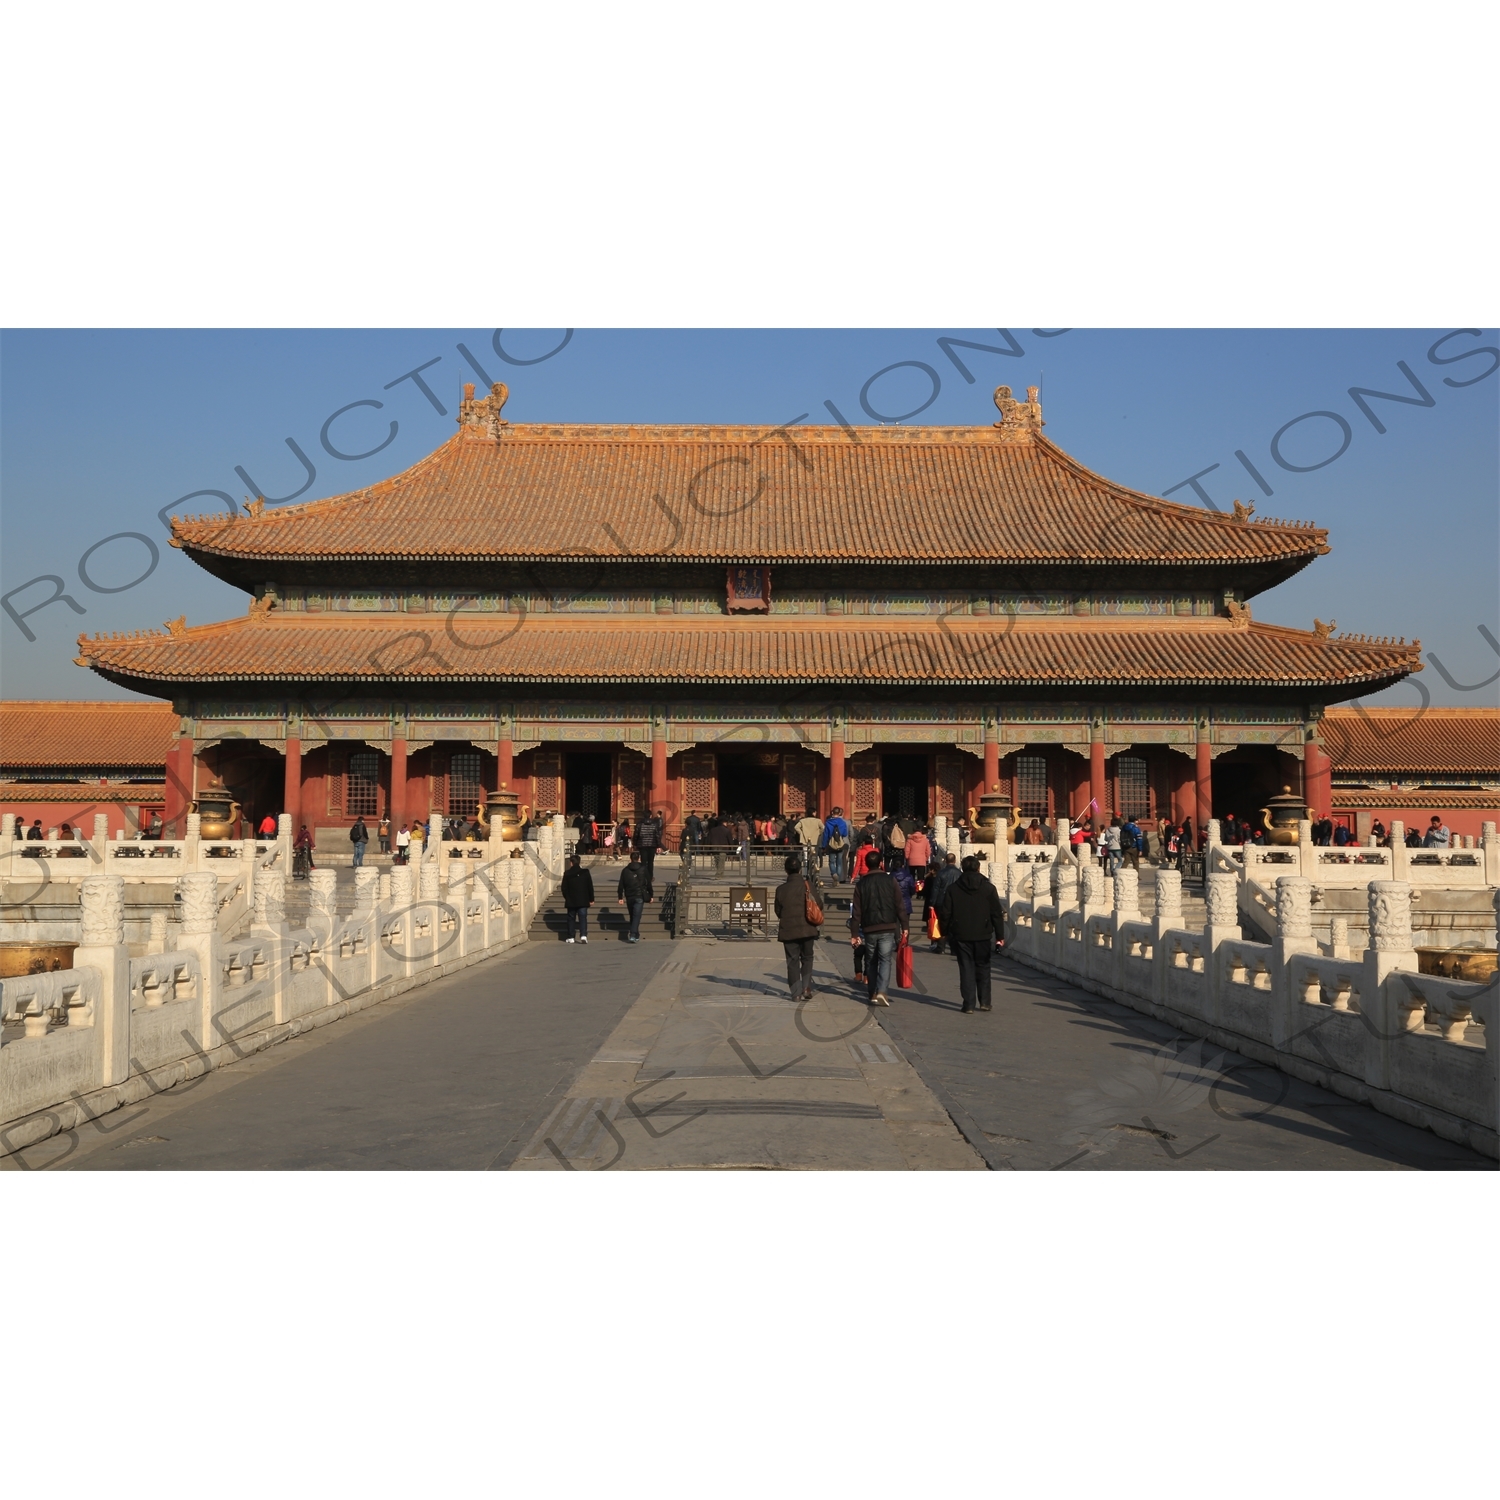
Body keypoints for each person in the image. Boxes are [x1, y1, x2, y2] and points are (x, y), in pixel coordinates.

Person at [938, 854, 1006, 1013]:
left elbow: (946, 913)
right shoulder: (989, 888)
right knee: (983, 967)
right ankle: (985, 1002)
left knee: (966, 968)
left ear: (962, 868)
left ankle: (968, 1004)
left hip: (961, 934)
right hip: (983, 934)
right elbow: (996, 913)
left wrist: (944, 932)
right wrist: (1000, 936)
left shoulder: (953, 889)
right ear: (978, 868)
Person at [851, 850, 903, 1006]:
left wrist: (854, 933)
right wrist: (904, 925)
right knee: (885, 960)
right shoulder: (891, 881)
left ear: (866, 865)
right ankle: (882, 991)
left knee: (871, 960)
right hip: (888, 926)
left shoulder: (861, 884)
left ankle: (872, 992)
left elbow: (856, 912)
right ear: (881, 863)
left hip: (869, 927)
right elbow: (899, 904)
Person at [773, 853, 824, 1000]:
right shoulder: (807, 885)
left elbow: (778, 911)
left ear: (786, 870)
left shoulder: (781, 889)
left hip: (789, 930)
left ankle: (795, 993)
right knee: (807, 958)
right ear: (800, 870)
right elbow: (818, 904)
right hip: (807, 928)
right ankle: (806, 988)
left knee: (792, 961)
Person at [924, 851, 962, 953]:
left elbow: (935, 889)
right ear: (955, 861)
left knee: (941, 924)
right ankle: (954, 949)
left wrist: (932, 903)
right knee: (953, 925)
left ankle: (941, 947)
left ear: (945, 861)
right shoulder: (960, 874)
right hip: (955, 902)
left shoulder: (941, 873)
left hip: (941, 901)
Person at [617, 850, 649, 942]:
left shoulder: (625, 870)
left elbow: (621, 884)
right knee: (636, 915)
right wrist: (650, 894)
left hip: (629, 895)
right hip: (639, 895)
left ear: (630, 859)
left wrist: (620, 897)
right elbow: (648, 883)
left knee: (633, 915)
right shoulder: (643, 869)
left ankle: (636, 934)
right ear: (639, 859)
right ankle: (633, 934)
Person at [561, 853, 594, 943]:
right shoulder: (585, 872)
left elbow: (564, 888)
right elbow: (589, 886)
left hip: (571, 900)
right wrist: (591, 899)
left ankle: (571, 937)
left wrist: (567, 897)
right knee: (583, 918)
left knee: (571, 918)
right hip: (583, 900)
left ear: (571, 863)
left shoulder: (567, 873)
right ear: (579, 862)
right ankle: (583, 935)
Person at [637, 809, 662, 895]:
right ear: (650, 815)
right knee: (651, 862)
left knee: (643, 862)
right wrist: (658, 845)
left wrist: (635, 843)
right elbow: (657, 835)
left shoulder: (639, 824)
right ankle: (650, 877)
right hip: (652, 845)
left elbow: (636, 834)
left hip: (642, 845)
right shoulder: (654, 824)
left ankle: (643, 876)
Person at [821, 806, 851, 882]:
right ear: (839, 813)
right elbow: (845, 834)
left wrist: (824, 846)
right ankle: (837, 877)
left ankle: (834, 873)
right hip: (840, 844)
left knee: (831, 861)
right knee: (839, 862)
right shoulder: (843, 822)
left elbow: (825, 835)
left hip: (831, 844)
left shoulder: (828, 822)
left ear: (832, 812)